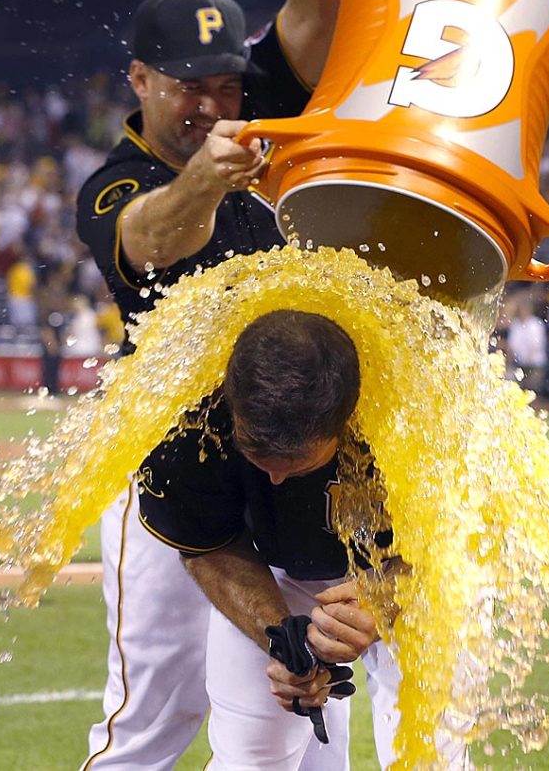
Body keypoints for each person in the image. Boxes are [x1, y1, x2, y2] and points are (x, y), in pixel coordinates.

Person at [74, 0, 349, 768]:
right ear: (140, 79)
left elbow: (310, 17)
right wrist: (202, 178)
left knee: (300, 689)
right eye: (187, 84)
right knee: (151, 711)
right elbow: (151, 237)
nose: (211, 102)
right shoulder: (115, 183)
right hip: (167, 453)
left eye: (224, 83)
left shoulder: (248, 106)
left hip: (275, 445)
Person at [136, 309, 401, 769]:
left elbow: (467, 540)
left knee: (427, 755)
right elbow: (209, 544)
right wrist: (280, 637)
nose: (276, 478)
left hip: (417, 564)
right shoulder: (187, 427)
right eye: (257, 456)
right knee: (249, 756)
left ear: (346, 422)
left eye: (298, 466)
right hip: (277, 563)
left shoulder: (418, 414)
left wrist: (387, 597)